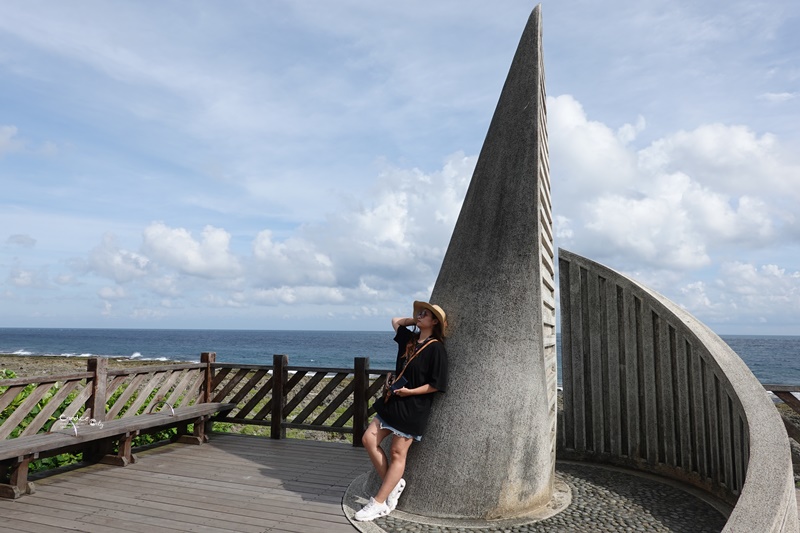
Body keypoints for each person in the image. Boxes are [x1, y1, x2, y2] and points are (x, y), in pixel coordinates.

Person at [354, 300, 449, 522]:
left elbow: (437, 384)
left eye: (426, 314)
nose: (420, 315)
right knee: (368, 439)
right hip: (392, 401)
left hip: (413, 406)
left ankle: (378, 503)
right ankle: (395, 484)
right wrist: (413, 320)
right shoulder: (409, 339)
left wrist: (411, 392)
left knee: (398, 452)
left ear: (434, 321)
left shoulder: (437, 349)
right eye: (420, 312)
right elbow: (395, 321)